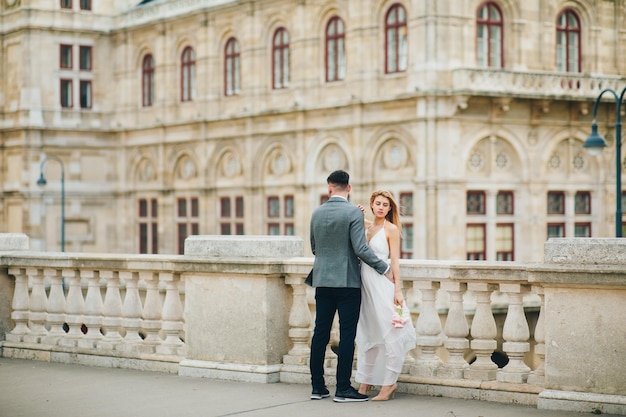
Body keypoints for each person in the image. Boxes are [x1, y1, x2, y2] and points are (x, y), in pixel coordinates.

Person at [309, 170, 394, 403]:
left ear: (329, 188)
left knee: (320, 333)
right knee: (347, 335)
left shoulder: (316, 213)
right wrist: (385, 269)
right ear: (349, 188)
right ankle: (343, 389)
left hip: (323, 281)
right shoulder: (353, 213)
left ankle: (318, 387)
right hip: (347, 282)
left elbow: (315, 248)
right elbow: (361, 249)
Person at [355, 190, 417, 401]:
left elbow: (395, 262)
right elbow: (358, 222)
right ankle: (364, 383)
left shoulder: (391, 229)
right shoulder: (367, 226)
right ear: (372, 204)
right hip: (364, 285)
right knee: (367, 332)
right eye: (378, 203)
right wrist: (357, 212)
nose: (381, 207)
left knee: (389, 334)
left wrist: (398, 290)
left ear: (390, 209)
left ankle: (389, 385)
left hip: (382, 285)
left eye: (386, 205)